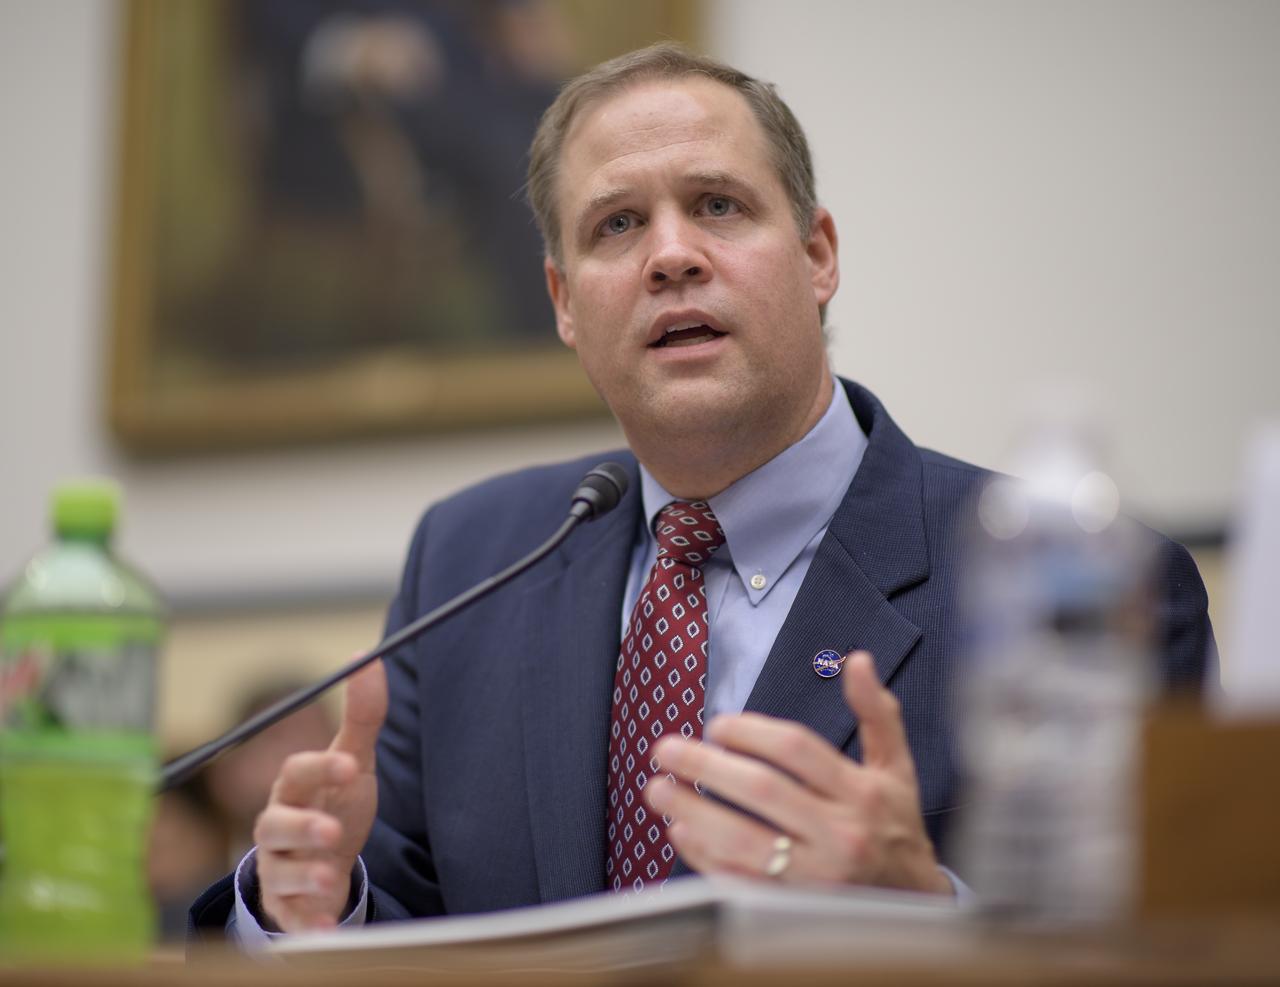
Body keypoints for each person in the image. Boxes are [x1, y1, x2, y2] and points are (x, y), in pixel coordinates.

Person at [190, 43, 1214, 940]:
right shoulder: (469, 561)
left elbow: (1170, 948)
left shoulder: (1091, 587)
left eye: (717, 205)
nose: (671, 256)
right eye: (616, 224)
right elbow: (408, 927)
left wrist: (926, 911)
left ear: (817, 254)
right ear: (563, 303)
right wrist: (311, 908)